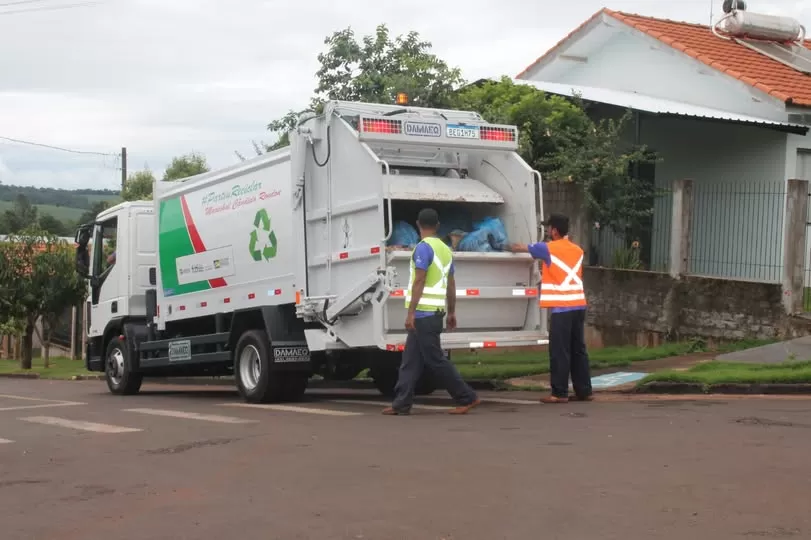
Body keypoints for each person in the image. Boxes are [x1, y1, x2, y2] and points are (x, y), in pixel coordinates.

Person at [383, 208, 481, 416]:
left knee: (435, 360)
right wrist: (452, 311)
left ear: (418, 224)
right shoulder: (445, 249)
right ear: (437, 226)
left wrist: (410, 313)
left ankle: (467, 397)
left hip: (423, 315)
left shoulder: (422, 248)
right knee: (410, 361)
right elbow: (451, 284)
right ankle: (401, 403)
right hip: (435, 313)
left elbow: (419, 280)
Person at [504, 213, 592, 403]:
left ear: (554, 231)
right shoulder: (578, 250)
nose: (547, 232)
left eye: (548, 229)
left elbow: (520, 248)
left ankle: (559, 393)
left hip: (562, 308)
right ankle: (584, 390)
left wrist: (505, 246)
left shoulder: (548, 249)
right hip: (578, 305)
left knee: (560, 351)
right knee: (578, 349)